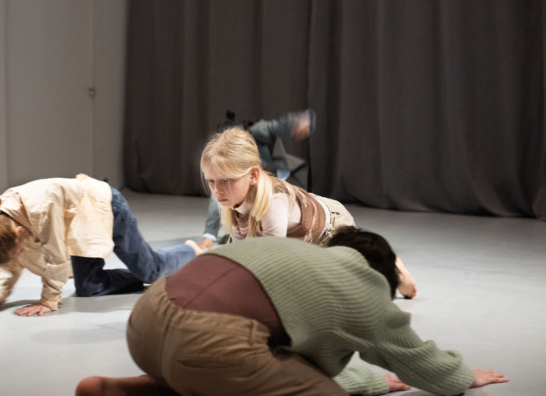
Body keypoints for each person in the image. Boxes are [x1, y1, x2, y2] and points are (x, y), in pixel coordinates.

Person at [75, 228, 508, 396]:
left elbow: (287, 362)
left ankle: (122, 389)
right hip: (208, 342)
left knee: (212, 369)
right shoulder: (364, 283)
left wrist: (370, 381)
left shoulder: (293, 255)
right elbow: (413, 359)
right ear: (381, 274)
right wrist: (462, 376)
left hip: (145, 321)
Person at [199, 126, 417, 297]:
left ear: (253, 176)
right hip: (301, 241)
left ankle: (391, 264)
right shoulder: (228, 197)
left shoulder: (273, 202)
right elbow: (243, 253)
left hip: (330, 228)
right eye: (211, 181)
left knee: (352, 284)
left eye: (226, 181)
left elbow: (270, 260)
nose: (217, 190)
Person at [0, 174, 198, 316]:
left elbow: (55, 256)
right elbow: (9, 261)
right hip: (79, 222)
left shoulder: (39, 208)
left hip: (106, 205)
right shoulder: (2, 221)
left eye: (18, 250)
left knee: (151, 269)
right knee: (88, 287)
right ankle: (146, 275)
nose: (19, 256)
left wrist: (48, 302)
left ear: (18, 233)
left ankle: (189, 251)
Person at [199, 109, 316, 251]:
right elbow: (217, 196)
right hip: (253, 186)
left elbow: (278, 126)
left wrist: (300, 122)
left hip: (278, 178)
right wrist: (209, 234)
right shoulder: (228, 177)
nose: (216, 187)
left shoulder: (258, 130)